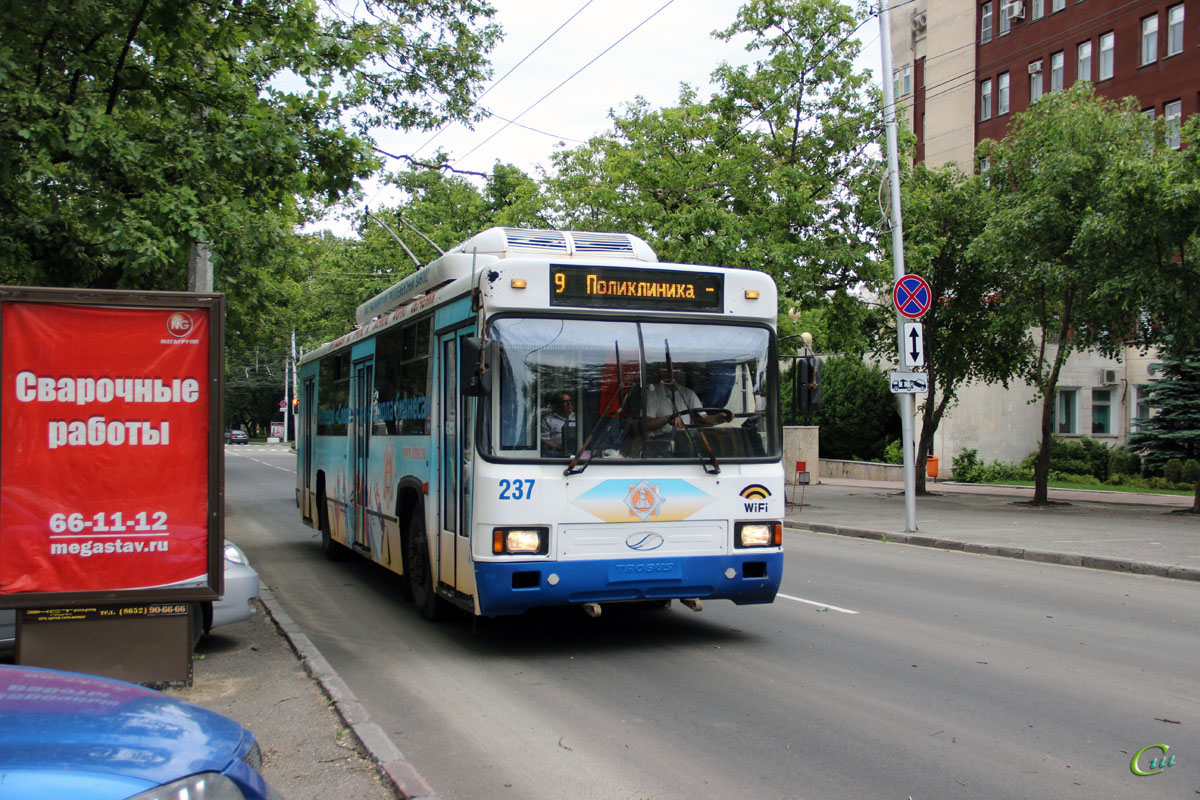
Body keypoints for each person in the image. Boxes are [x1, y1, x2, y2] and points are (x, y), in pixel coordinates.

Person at [644, 365, 726, 436]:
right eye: (668, 369)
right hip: (659, 444)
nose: (672, 372)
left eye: (676, 369)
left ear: (680, 372)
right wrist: (668, 418)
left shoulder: (688, 393)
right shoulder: (652, 393)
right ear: (661, 371)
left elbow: (703, 418)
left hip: (686, 440)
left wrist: (718, 417)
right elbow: (646, 424)